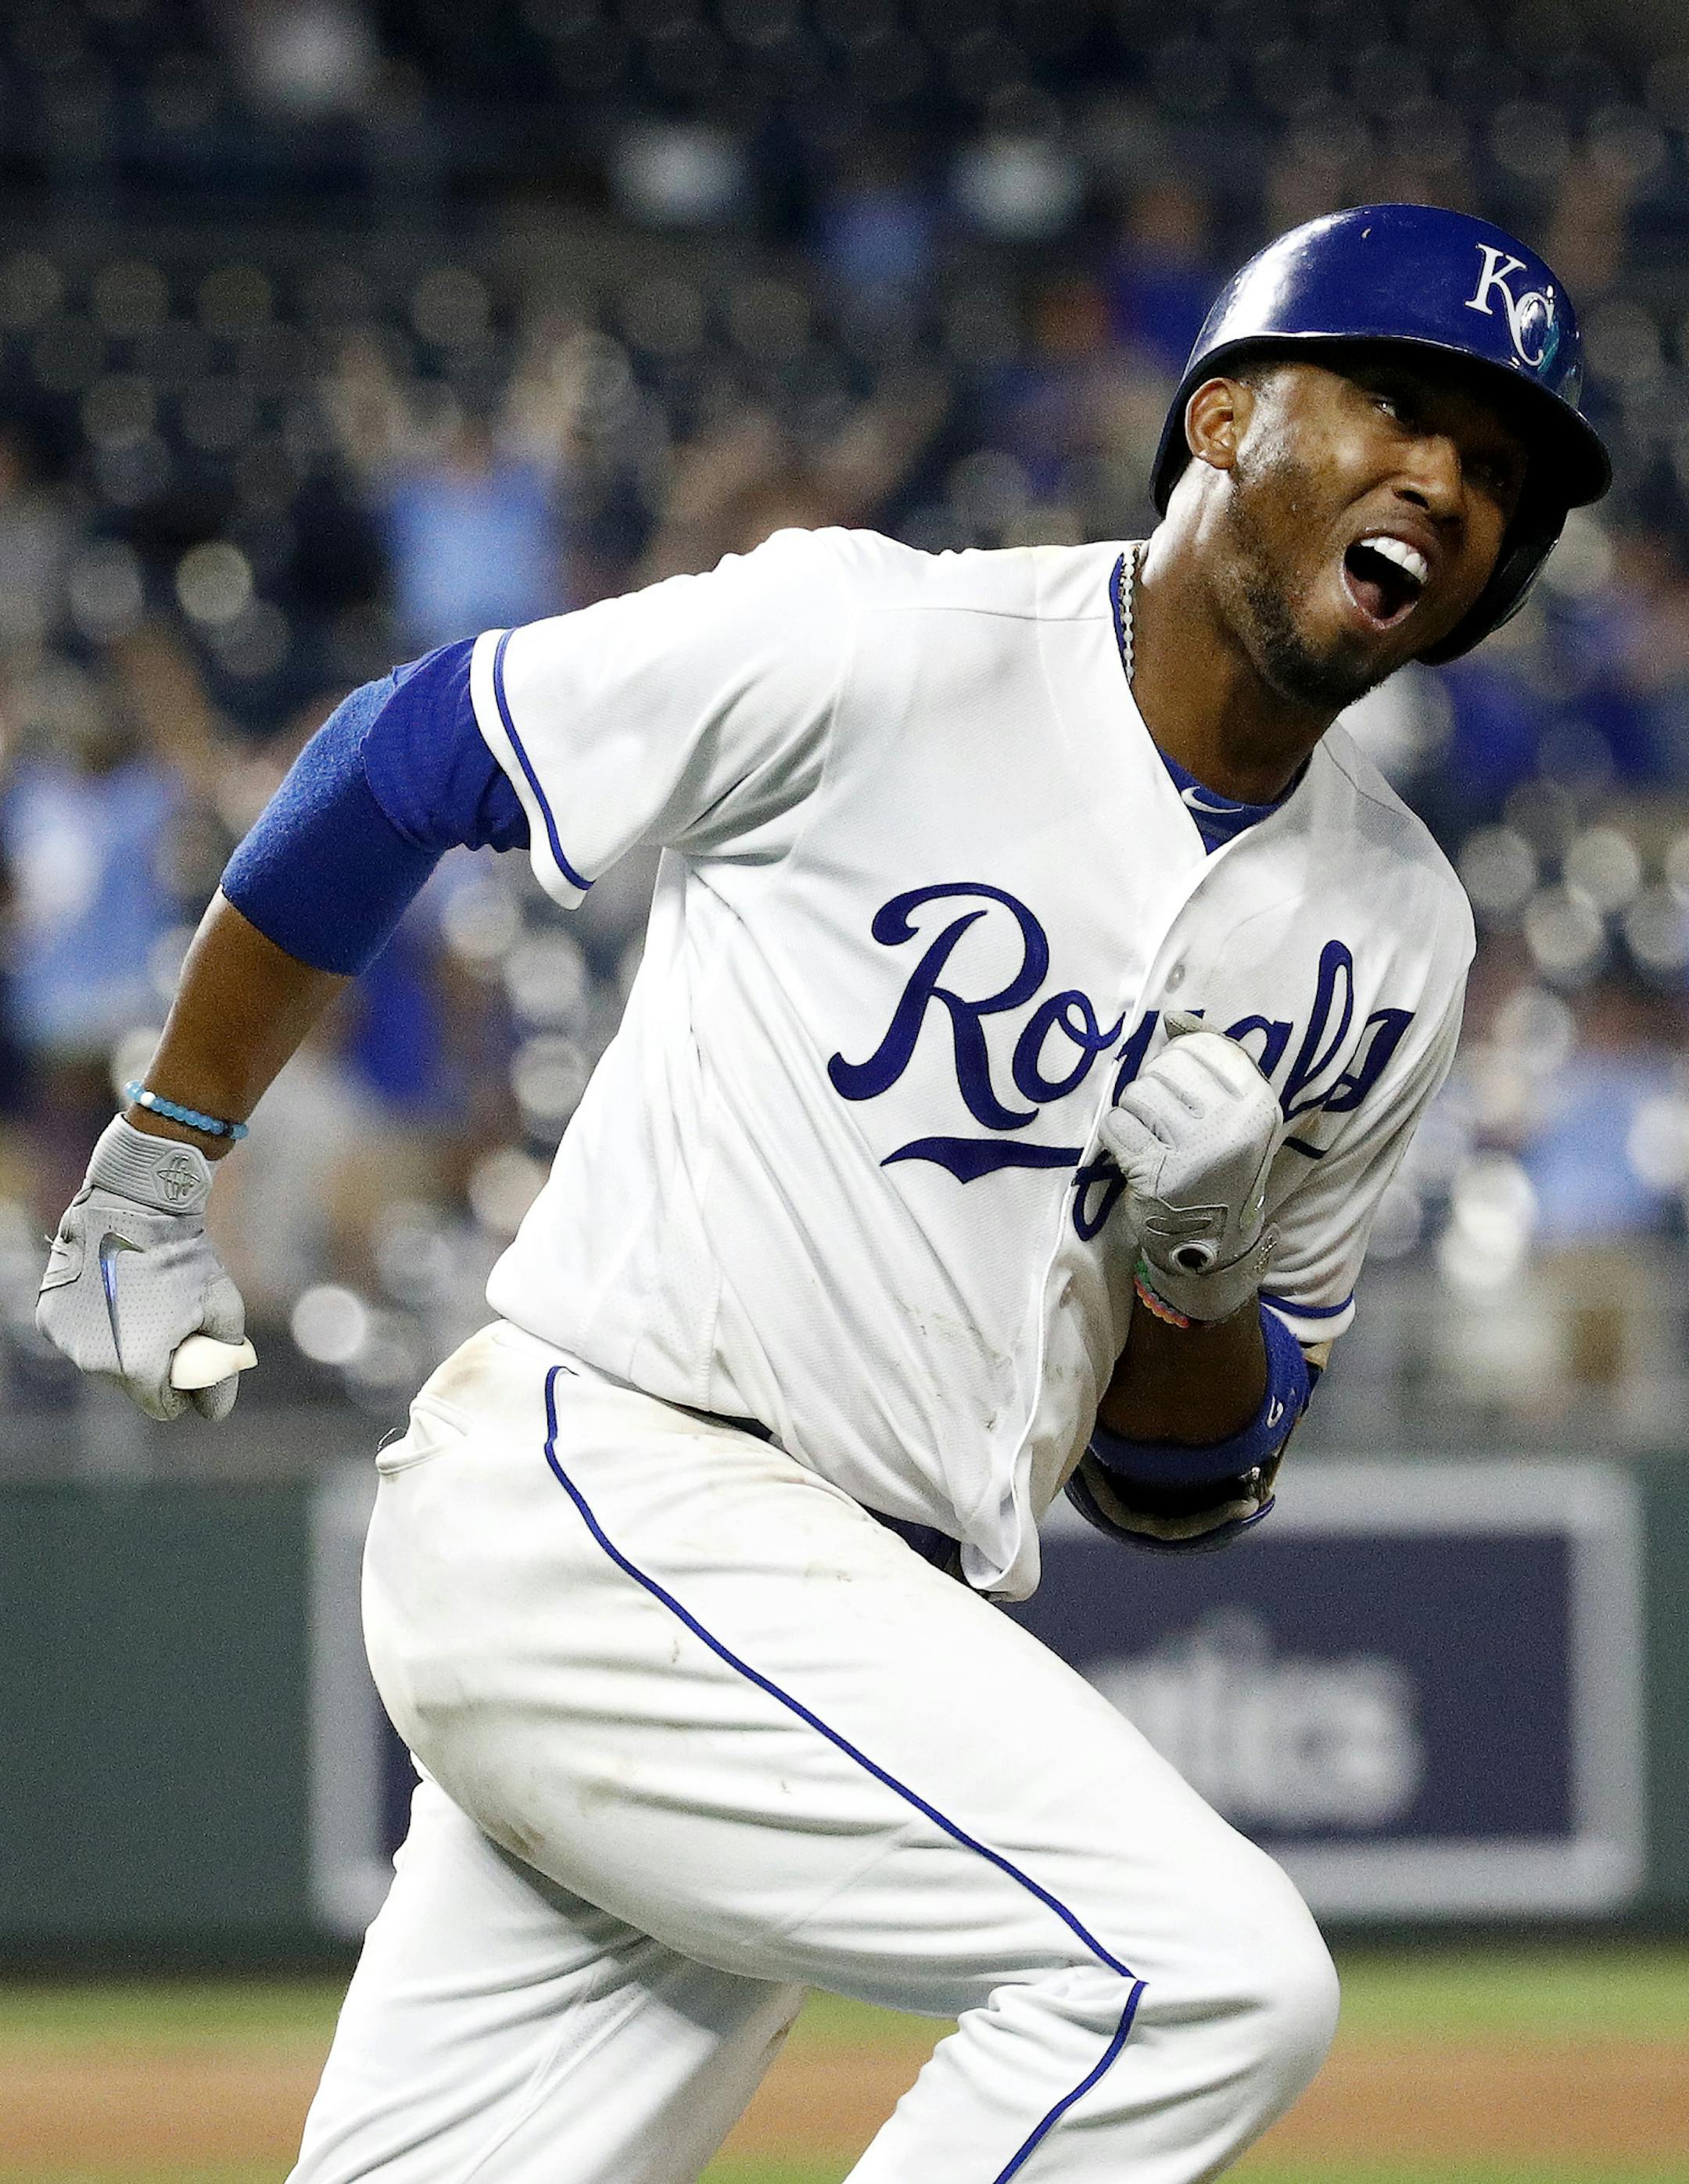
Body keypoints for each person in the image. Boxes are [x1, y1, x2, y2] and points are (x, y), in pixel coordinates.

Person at [38, 206, 1608, 2182]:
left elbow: (1185, 1482)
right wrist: (165, 1151)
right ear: (1220, 416)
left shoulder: (1395, 937)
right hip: (622, 1497)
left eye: (1503, 470)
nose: (1449, 481)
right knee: (1204, 1979)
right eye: (1396, 401)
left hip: (839, 1617)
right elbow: (409, 748)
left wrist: (1195, 1270)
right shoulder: (882, 640)